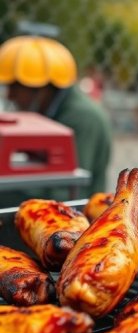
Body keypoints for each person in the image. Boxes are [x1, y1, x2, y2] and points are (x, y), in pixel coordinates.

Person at [0, 35, 112, 206]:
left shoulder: (82, 118)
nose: (10, 95)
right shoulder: (46, 112)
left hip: (77, 221)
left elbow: (67, 193)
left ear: (42, 88)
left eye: (16, 86)